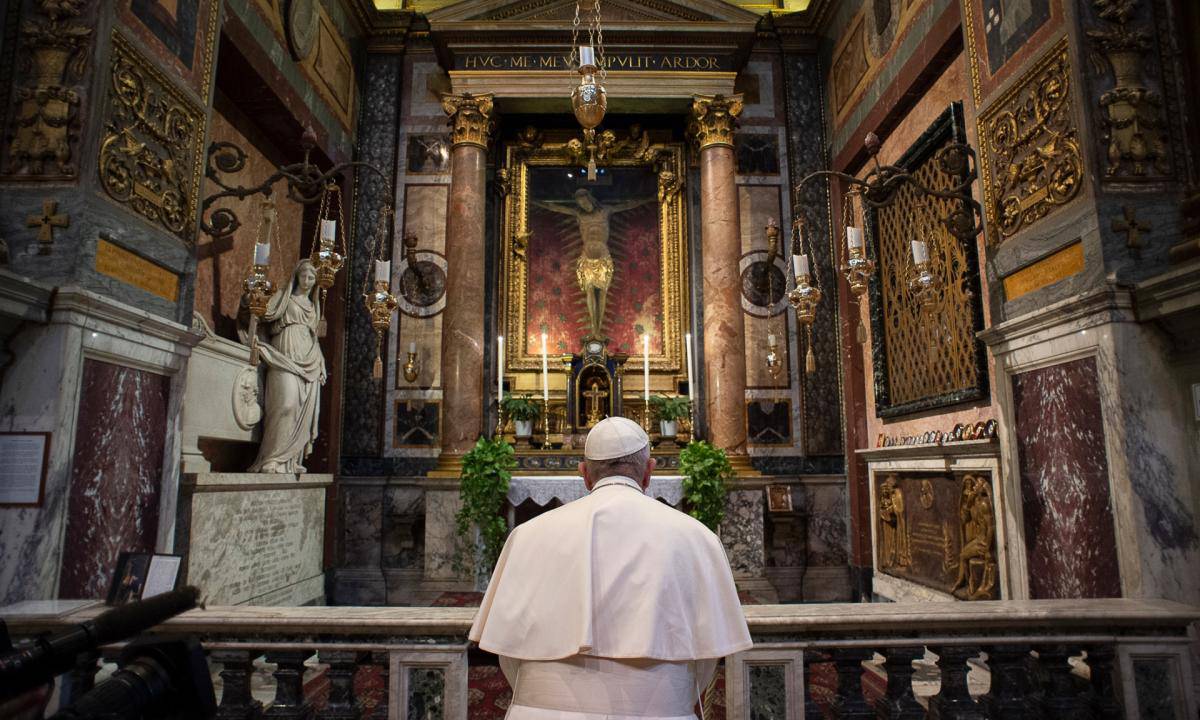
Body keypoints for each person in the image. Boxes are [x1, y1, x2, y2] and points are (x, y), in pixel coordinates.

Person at [470, 416, 751, 719]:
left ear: (584, 475)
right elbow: (707, 657)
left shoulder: (526, 536)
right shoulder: (697, 537)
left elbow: (509, 655)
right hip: (659, 710)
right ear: (649, 472)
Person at [534, 189, 655, 338]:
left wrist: (650, 198)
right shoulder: (580, 215)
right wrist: (533, 201)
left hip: (603, 257)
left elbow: (628, 205)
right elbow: (557, 208)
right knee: (589, 291)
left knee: (602, 293)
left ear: (590, 199)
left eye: (585, 201)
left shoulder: (605, 211)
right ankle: (594, 330)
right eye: (580, 203)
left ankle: (598, 330)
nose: (583, 205)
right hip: (586, 257)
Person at [248, 258, 326, 473]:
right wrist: (252, 301)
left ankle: (290, 460)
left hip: (309, 359)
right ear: (296, 276)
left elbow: (314, 338)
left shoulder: (313, 306)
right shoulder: (285, 299)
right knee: (285, 404)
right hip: (283, 355)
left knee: (301, 410)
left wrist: (321, 362)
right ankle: (271, 458)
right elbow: (265, 312)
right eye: (304, 276)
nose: (308, 281)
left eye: (312, 277)